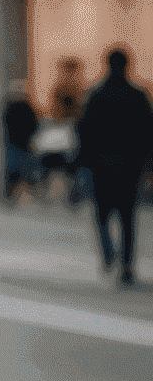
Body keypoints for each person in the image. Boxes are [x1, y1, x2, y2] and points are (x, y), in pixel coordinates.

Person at [76, 49, 152, 287]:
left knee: (101, 215)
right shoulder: (137, 96)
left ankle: (109, 254)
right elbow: (148, 133)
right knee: (128, 218)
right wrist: (147, 165)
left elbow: (84, 131)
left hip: (102, 167)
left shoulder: (96, 95)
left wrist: (83, 163)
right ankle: (127, 266)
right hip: (129, 167)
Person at [2, 83, 41, 203]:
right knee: (21, 170)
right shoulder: (22, 107)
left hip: (18, 143)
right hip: (20, 143)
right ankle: (15, 194)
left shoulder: (14, 107)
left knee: (18, 170)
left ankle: (11, 195)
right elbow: (35, 124)